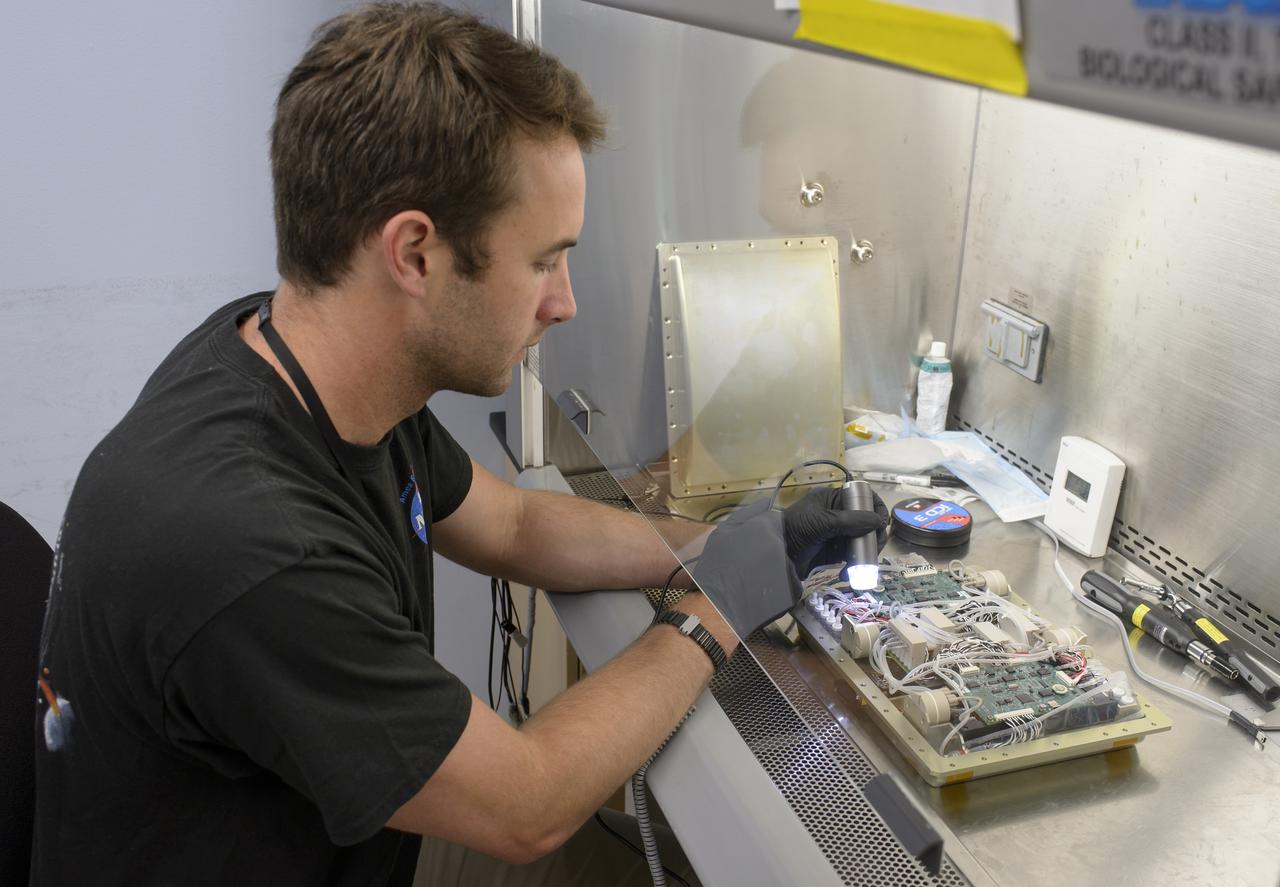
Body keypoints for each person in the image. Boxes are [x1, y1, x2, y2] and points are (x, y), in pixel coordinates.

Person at [30, 4, 884, 885]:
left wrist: (720, 547)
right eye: (543, 260)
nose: (565, 302)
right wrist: (714, 612)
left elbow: (511, 523)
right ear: (415, 253)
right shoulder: (247, 543)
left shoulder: (301, 358)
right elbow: (526, 804)